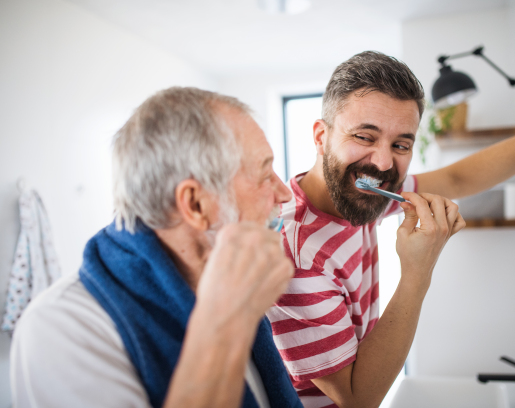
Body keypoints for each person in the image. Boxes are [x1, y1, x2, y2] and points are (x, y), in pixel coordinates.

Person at [266, 48, 515, 408]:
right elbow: (358, 399)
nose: (383, 162)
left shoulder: (362, 195)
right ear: (321, 136)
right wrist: (417, 271)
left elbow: (457, 177)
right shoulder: (294, 257)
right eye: (365, 137)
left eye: (400, 144)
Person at [10, 88, 304, 408]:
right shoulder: (61, 330)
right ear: (195, 204)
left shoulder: (232, 287)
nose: (284, 194)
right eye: (264, 175)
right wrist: (227, 323)